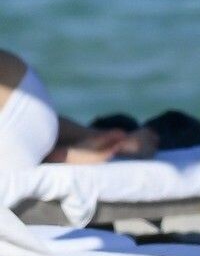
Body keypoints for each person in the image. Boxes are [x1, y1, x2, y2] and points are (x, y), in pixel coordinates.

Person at [0, 50, 160, 170]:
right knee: (26, 123)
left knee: (23, 127)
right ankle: (90, 138)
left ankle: (62, 154)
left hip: (17, 121)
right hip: (23, 87)